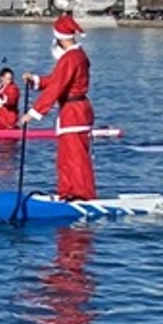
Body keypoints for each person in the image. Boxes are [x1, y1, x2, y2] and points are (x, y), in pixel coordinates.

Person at [23, 13, 96, 201]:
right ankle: (68, 192)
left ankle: (81, 195)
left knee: (75, 157)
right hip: (74, 110)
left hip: (74, 112)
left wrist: (33, 113)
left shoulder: (70, 58)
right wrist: (37, 80)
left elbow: (56, 87)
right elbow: (59, 81)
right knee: (66, 157)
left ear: (58, 38)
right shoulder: (77, 56)